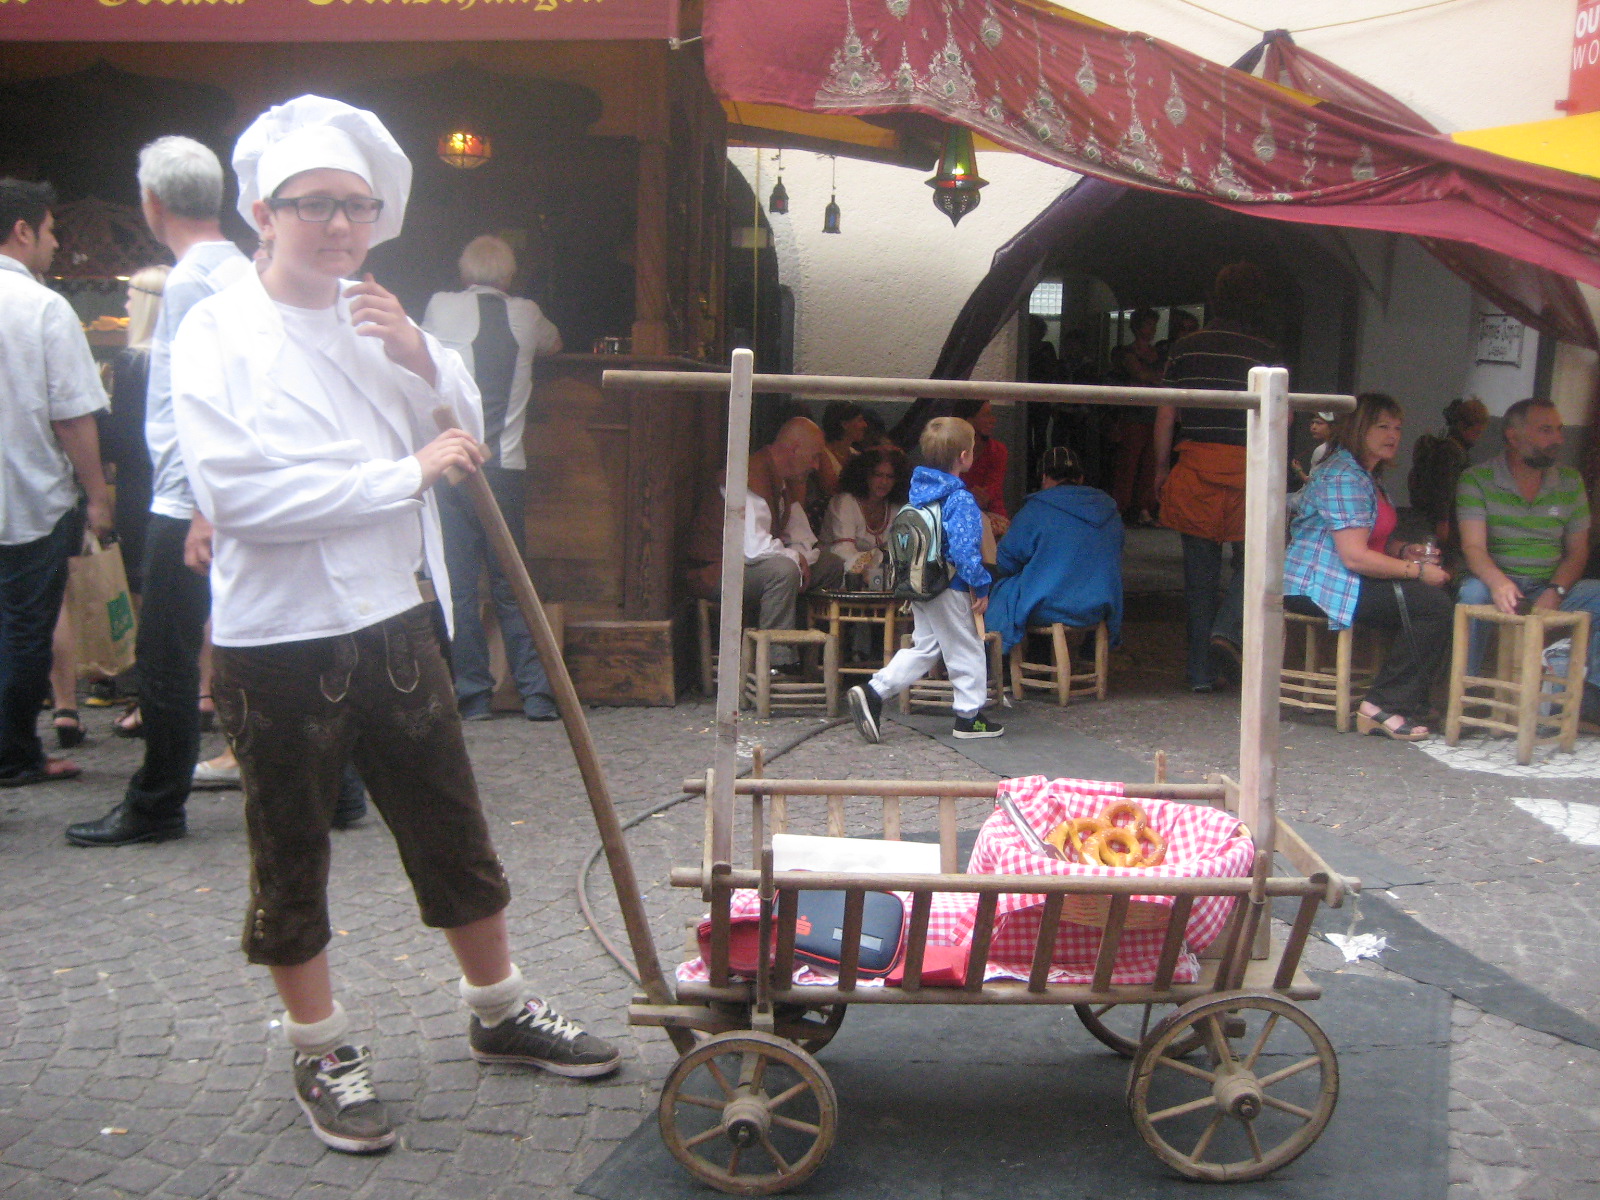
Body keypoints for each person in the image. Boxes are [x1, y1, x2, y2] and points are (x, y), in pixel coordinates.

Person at [168, 93, 618, 1154]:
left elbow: (459, 430)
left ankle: (498, 1006)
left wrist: (421, 355)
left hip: (397, 611)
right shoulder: (217, 331)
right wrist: (393, 475)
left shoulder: (378, 312)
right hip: (277, 637)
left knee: (449, 822)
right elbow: (238, 496)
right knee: (290, 847)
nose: (338, 225)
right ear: (264, 213)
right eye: (314, 204)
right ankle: (319, 1043)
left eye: (357, 206)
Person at [66, 136, 252, 847]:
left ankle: (157, 802)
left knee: (167, 656)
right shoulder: (240, 271)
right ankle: (337, 788)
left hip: (190, 500)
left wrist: (195, 501)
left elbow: (189, 406)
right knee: (257, 639)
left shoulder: (188, 283)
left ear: (151, 203)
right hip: (227, 491)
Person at [0, 178, 113, 788]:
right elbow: (72, 416)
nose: (54, 243)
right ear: (21, 231)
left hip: (22, 497)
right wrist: (97, 495)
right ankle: (13, 753)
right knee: (25, 629)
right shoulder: (43, 307)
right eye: (48, 230)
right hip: (27, 500)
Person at [422, 235, 563, 722]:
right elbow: (556, 344)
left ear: (464, 274)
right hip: (504, 466)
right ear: (509, 277)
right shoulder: (526, 314)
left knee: (459, 583)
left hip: (451, 466)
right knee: (512, 583)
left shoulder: (440, 306)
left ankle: (473, 695)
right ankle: (537, 695)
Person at [1284, 393, 1453, 740]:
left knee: (1429, 599)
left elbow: (1373, 538)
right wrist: (1418, 571)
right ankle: (1382, 706)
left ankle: (1408, 696)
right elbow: (1355, 556)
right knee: (1431, 606)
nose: (1393, 435)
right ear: (1359, 428)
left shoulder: (1368, 475)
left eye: (1398, 428)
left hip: (1348, 578)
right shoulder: (1344, 475)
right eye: (1382, 427)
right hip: (1318, 584)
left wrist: (1405, 550)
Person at [1152, 262, 1282, 693]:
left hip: (1196, 472)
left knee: (1199, 581)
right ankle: (1227, 631)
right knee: (1253, 567)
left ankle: (1200, 673)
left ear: (1215, 298)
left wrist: (1160, 468)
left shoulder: (1186, 348)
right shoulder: (1266, 352)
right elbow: (1280, 420)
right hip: (1250, 474)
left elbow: (1166, 412)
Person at [846, 417, 1004, 742]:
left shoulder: (918, 495)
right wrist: (981, 585)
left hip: (920, 586)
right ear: (964, 457)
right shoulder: (959, 499)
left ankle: (874, 691)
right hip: (950, 586)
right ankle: (969, 717)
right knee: (968, 647)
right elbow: (964, 550)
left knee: (927, 646)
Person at [1455, 398, 1600, 701]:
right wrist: (1499, 583)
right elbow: (1473, 547)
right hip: (1495, 582)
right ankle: (1467, 692)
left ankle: (1592, 693)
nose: (1558, 439)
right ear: (1513, 436)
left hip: (1549, 585)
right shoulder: (1477, 479)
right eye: (1546, 430)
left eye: (1559, 430)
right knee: (1472, 593)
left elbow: (1578, 551)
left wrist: (1556, 590)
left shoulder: (1570, 481)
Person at [686, 416, 845, 665]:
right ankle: (776, 662)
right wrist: (795, 558)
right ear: (794, 449)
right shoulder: (750, 474)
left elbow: (800, 536)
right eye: (814, 457)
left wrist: (801, 555)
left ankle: (811, 654)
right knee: (783, 571)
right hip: (716, 571)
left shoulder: (782, 481)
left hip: (753, 566)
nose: (816, 466)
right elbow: (756, 547)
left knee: (830, 565)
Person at [986, 446, 1124, 654]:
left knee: (1009, 588)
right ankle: (1086, 653)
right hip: (1099, 604)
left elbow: (1006, 563)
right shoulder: (1110, 511)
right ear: (1080, 478)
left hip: (1048, 607)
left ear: (1044, 477)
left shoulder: (1035, 510)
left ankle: (1017, 659)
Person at [821, 447, 909, 590]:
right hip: (837, 575)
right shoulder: (845, 502)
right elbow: (843, 550)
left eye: (890, 477)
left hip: (877, 576)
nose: (884, 482)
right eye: (878, 475)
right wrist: (873, 564)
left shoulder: (896, 507)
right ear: (864, 475)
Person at [1108, 308, 1162, 527]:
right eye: (1148, 324)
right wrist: (1153, 377)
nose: (1152, 330)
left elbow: (1159, 377)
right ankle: (1121, 508)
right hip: (1133, 415)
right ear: (1137, 327)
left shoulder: (1158, 353)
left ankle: (1145, 508)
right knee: (1128, 464)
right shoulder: (1126, 353)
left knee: (1151, 464)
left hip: (1154, 414)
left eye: (1154, 325)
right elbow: (1140, 373)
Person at [1409, 396, 1489, 544]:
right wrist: (1443, 521)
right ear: (1463, 426)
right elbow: (1444, 488)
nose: (1477, 438)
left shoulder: (1449, 449)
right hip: (1444, 520)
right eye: (1476, 432)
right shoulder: (1451, 452)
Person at [951, 400, 1010, 536]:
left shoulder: (997, 450)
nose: (993, 420)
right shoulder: (951, 451)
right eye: (986, 415)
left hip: (991, 513)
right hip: (956, 512)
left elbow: (991, 492)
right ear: (969, 421)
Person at [817, 399, 868, 498]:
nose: (865, 425)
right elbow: (831, 490)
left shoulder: (856, 454)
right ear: (844, 424)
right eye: (860, 420)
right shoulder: (822, 454)